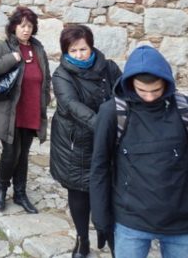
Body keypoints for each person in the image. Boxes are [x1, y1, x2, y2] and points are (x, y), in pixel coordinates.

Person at [90, 45, 188, 258]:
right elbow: (99, 168)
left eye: (156, 90)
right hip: (131, 221)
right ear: (129, 84)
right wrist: (101, 219)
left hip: (180, 221)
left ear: (167, 83)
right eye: (142, 91)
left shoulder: (183, 110)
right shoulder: (113, 112)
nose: (150, 97)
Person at [50, 25, 121, 258]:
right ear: (66, 51)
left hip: (107, 141)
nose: (80, 55)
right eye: (73, 50)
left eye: (83, 49)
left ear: (91, 46)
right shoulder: (62, 75)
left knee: (109, 192)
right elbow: (72, 106)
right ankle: (82, 239)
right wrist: (105, 126)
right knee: (80, 192)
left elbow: (123, 94)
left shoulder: (109, 68)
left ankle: (112, 239)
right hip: (76, 144)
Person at [0, 6, 51, 214]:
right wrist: (11, 58)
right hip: (9, 111)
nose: (26, 30)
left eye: (30, 26)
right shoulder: (2, 46)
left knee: (24, 154)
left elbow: (45, 78)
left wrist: (45, 100)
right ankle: (1, 189)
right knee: (11, 152)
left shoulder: (38, 49)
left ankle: (20, 193)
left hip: (31, 109)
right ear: (13, 27)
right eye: (22, 26)